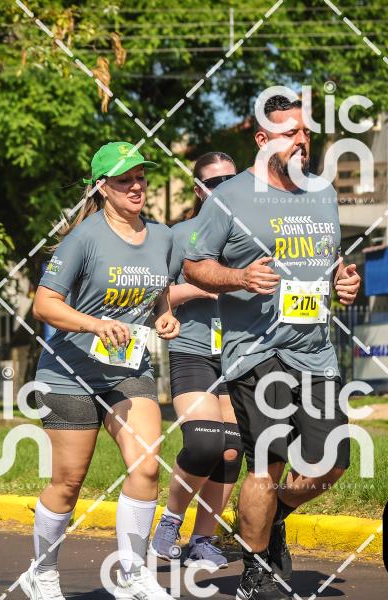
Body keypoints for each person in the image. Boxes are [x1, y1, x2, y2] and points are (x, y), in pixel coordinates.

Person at [183, 94, 361, 600]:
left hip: (315, 351)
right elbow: (195, 264)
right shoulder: (229, 197)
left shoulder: (322, 193)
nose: (301, 141)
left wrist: (343, 282)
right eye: (289, 133)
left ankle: (272, 515)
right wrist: (239, 277)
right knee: (268, 462)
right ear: (262, 140)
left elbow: (328, 260)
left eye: (305, 132)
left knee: (333, 460)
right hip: (256, 352)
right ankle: (255, 572)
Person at [21, 142, 181, 600]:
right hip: (68, 374)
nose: (136, 186)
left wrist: (165, 315)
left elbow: (159, 291)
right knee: (68, 482)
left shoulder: (163, 237)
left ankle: (133, 573)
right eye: (124, 179)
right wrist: (95, 324)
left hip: (127, 371)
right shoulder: (84, 238)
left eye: (140, 177)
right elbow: (44, 305)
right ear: (101, 188)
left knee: (146, 466)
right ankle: (41, 573)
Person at [150, 152, 241, 569]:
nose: (223, 189)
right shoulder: (180, 235)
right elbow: (157, 294)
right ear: (199, 190)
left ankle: (203, 540)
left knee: (231, 450)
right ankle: (170, 522)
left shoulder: (253, 231)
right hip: (193, 350)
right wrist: (201, 288)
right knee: (205, 442)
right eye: (214, 183)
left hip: (241, 354)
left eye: (231, 181)